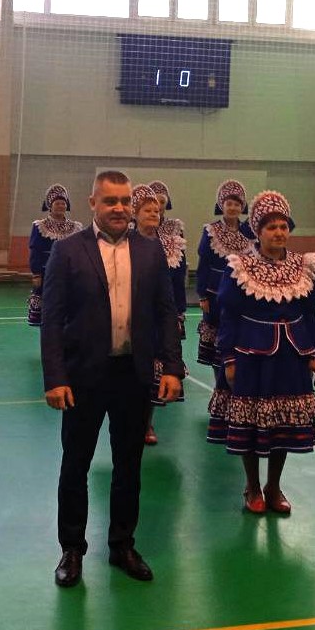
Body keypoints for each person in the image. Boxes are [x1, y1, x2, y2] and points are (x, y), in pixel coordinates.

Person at [42, 170, 183, 587]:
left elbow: (165, 313)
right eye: (110, 201)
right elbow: (52, 320)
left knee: (129, 466)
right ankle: (72, 549)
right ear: (93, 203)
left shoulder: (151, 252)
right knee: (76, 465)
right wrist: (55, 377)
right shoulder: (67, 251)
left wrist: (171, 367)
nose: (119, 208)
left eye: (124, 201)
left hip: (133, 376)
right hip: (83, 377)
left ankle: (122, 545)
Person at [207, 190, 315, 514]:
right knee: (249, 423)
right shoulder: (240, 267)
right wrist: (229, 358)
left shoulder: (303, 267)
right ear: (257, 231)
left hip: (291, 357)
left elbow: (311, 314)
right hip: (251, 357)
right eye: (271, 227)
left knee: (281, 424)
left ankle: (274, 486)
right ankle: (252, 486)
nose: (278, 232)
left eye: (283, 226)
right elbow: (229, 316)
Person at [132, 185, 187, 446]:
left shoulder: (172, 244)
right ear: (135, 214)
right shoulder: (124, 243)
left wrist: (179, 311)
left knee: (152, 372)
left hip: (158, 320)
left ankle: (147, 423)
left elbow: (178, 281)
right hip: (130, 319)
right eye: (148, 210)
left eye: (157, 209)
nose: (154, 213)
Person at [195, 180, 256, 367]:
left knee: (237, 333)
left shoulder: (249, 232)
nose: (233, 208)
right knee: (217, 335)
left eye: (237, 204)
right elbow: (203, 264)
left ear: (242, 207)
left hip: (241, 292)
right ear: (222, 205)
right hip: (215, 292)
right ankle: (218, 378)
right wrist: (202, 295)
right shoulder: (211, 230)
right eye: (229, 204)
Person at [26, 184, 83, 327]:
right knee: (48, 314)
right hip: (47, 274)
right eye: (57, 203)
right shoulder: (40, 226)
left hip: (69, 274)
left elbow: (79, 252)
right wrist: (36, 274)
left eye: (63, 203)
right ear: (50, 206)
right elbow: (35, 251)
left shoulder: (75, 227)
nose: (61, 206)